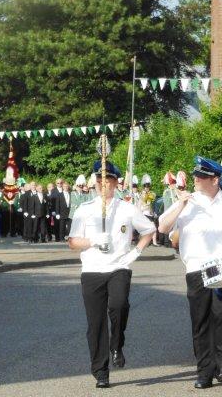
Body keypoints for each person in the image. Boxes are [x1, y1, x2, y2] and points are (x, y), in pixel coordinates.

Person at [158, 156, 222, 389]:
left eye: (200, 176)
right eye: (195, 175)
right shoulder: (187, 202)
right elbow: (162, 227)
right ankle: (204, 372)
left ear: (214, 179)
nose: (195, 179)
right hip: (197, 269)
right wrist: (181, 204)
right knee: (200, 322)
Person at [68, 160, 156, 389]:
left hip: (119, 267)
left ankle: (117, 342)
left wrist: (135, 252)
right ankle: (101, 371)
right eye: (99, 180)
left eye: (107, 180)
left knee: (119, 306)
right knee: (95, 323)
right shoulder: (84, 209)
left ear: (116, 182)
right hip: (92, 269)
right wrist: (93, 241)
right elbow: (73, 242)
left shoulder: (127, 208)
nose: (102, 184)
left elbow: (149, 230)